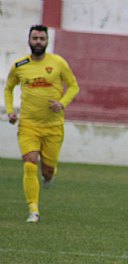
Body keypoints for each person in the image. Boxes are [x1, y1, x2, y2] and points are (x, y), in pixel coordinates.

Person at [4, 25, 80, 223]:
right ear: (29, 40)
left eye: (42, 39)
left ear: (47, 41)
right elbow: (9, 88)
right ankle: (33, 210)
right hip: (28, 124)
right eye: (35, 38)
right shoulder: (20, 65)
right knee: (30, 164)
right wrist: (11, 111)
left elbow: (73, 86)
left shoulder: (58, 63)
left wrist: (62, 103)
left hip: (53, 126)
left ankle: (50, 174)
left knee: (47, 170)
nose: (38, 42)